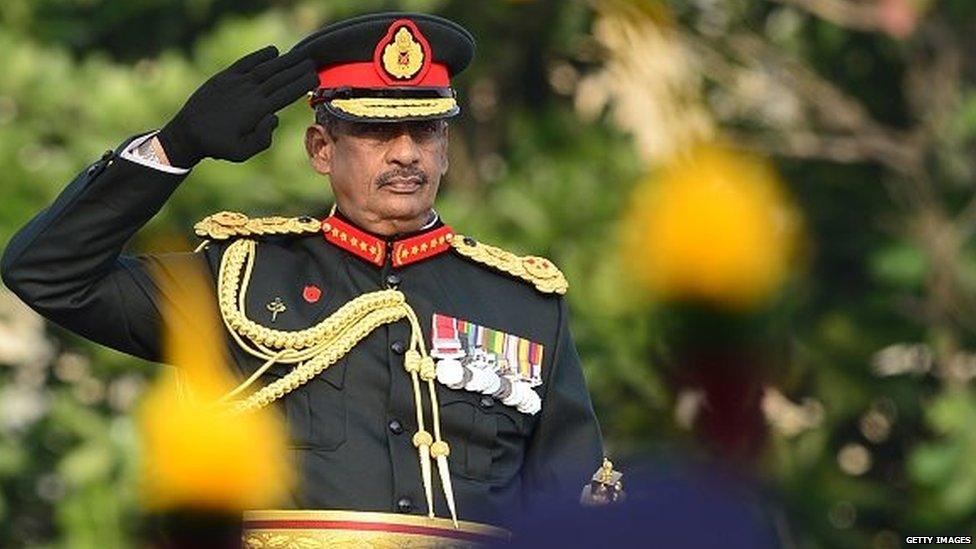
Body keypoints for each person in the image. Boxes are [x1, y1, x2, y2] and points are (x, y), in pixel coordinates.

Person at [1, 11, 603, 544]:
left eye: (425, 132)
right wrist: (175, 146)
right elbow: (46, 273)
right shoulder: (238, 280)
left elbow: (572, 503)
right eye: (373, 132)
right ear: (321, 148)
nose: (405, 154)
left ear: (445, 148)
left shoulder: (523, 304)